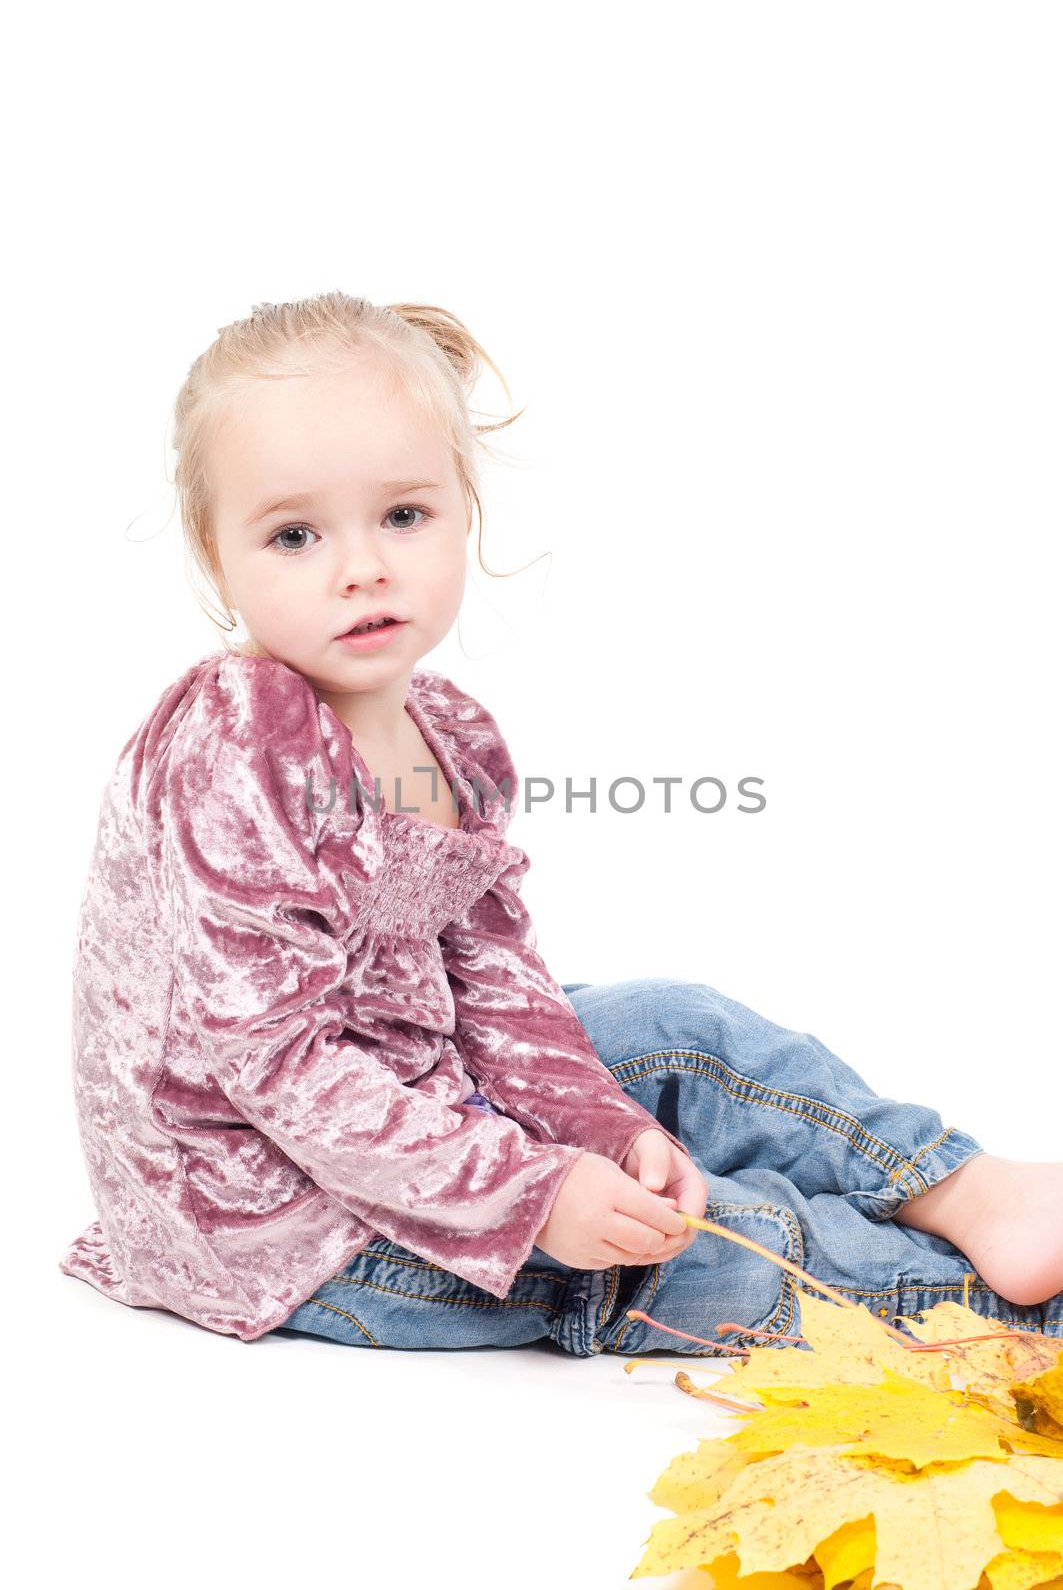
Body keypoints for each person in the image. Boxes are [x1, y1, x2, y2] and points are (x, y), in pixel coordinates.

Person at [58, 293, 1063, 1355]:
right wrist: (534, 1191)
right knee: (694, 1239)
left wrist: (604, 1126)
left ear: (461, 509)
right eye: (295, 535)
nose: (362, 567)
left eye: (403, 516)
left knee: (684, 1029)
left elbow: (494, 979)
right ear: (219, 561)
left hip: (419, 1091)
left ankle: (961, 1189)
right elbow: (280, 1065)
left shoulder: (452, 735)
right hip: (278, 1209)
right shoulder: (235, 739)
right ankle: (978, 1309)